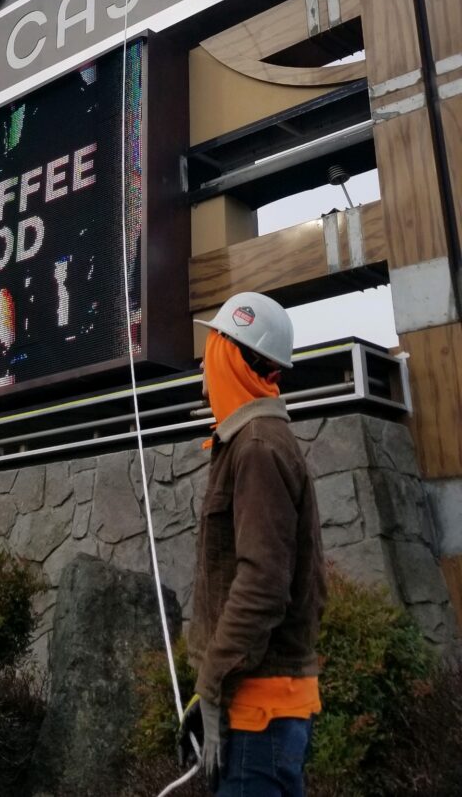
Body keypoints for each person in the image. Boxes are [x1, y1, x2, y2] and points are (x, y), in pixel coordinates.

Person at [181, 292, 326, 796]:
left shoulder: (259, 448)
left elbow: (264, 584)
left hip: (256, 714)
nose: (203, 362)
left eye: (212, 346)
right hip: (264, 708)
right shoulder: (255, 441)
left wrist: (213, 685)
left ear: (230, 355)